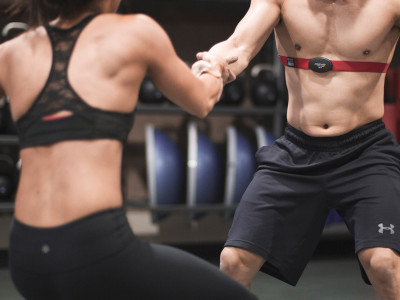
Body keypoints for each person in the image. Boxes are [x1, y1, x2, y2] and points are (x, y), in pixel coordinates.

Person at [0, 0, 259, 299]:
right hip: (92, 248)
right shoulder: (136, 32)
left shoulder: (11, 52)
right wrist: (213, 68)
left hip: (25, 255)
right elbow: (201, 100)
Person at [196, 0, 400, 298]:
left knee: (384, 263)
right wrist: (214, 65)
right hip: (297, 152)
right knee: (233, 261)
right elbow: (239, 46)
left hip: (366, 152)